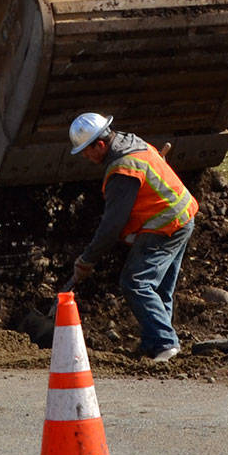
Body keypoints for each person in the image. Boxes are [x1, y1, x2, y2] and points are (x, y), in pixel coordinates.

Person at [64, 112, 196, 363]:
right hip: (183, 215)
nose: (84, 156)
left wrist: (87, 259)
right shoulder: (133, 142)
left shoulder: (123, 169)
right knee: (159, 287)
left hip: (166, 224)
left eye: (86, 150)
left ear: (101, 144)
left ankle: (165, 343)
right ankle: (155, 343)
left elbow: (112, 225)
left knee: (135, 282)